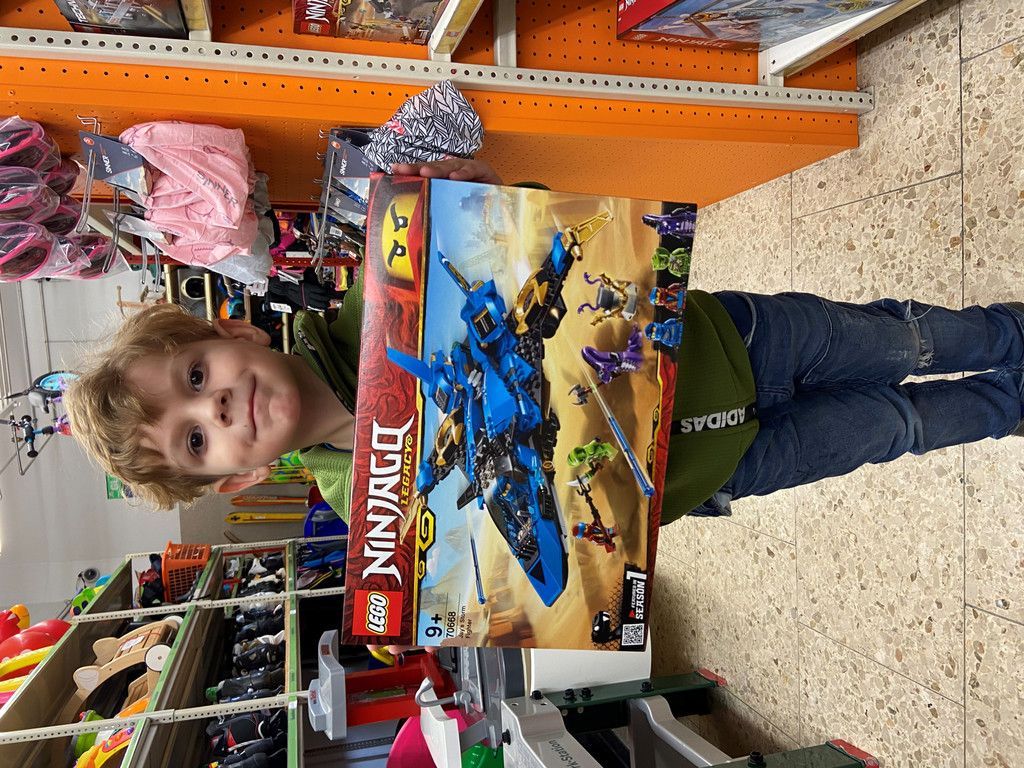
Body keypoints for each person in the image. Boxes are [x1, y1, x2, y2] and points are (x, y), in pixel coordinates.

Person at [66, 155, 1024, 577]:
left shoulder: (391, 285)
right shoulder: (377, 530)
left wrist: (479, 203)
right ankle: (1011, 406)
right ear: (236, 480)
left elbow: (545, 234)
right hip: (710, 467)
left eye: (196, 378)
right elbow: (525, 566)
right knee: (897, 428)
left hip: (727, 341)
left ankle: (1010, 335)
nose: (219, 409)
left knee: (908, 341)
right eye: (197, 441)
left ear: (235, 334)